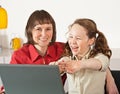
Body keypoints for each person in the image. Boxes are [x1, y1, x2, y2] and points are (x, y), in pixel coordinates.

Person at [0, 10, 118, 94]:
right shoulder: (19, 55)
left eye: (48, 29)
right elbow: (9, 85)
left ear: (53, 30)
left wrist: (110, 80)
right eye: (38, 29)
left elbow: (95, 58)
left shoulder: (64, 49)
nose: (44, 34)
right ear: (30, 31)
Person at [50, 18, 119, 94]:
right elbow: (62, 63)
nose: (73, 42)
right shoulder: (68, 59)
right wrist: (56, 68)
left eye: (78, 38)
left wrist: (79, 64)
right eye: (71, 37)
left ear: (91, 41)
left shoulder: (100, 57)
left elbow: (99, 63)